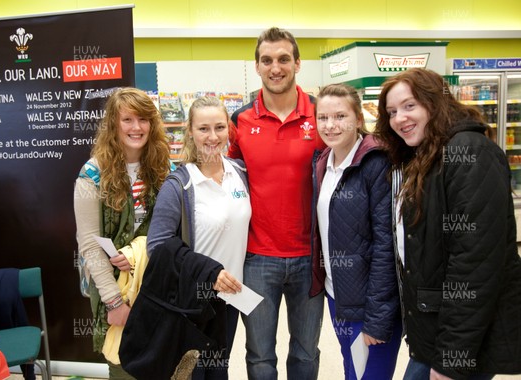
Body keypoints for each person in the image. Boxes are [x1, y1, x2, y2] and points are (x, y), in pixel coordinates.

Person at [375, 68, 521, 380]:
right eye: (391, 112)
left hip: (460, 343)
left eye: (409, 105)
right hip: (437, 335)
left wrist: (452, 360)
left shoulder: (469, 152)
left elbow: (475, 266)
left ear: (435, 102)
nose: (399, 118)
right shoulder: (428, 156)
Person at [228, 27, 325, 380]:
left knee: (305, 354)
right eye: (267, 60)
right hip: (256, 259)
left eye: (284, 58)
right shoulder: (240, 121)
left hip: (311, 258)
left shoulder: (321, 116)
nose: (276, 67)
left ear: (297, 63)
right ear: (257, 67)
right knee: (259, 357)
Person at [147, 96, 251, 379]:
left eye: (219, 127)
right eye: (203, 128)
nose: (212, 136)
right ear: (190, 131)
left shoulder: (239, 173)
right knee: (193, 373)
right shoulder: (179, 185)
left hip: (230, 301)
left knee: (219, 371)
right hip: (192, 302)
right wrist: (207, 273)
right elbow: (157, 246)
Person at [73, 87, 171, 379]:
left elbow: (172, 227)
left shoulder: (164, 168)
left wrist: (137, 249)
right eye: (127, 119)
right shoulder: (92, 175)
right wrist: (114, 302)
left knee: (162, 362)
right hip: (115, 288)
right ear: (113, 124)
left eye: (143, 119)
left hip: (155, 283)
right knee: (123, 363)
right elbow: (90, 245)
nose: (136, 127)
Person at [312, 83, 401, 379]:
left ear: (359, 119)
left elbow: (386, 246)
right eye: (323, 117)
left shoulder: (376, 163)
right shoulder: (325, 162)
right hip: (338, 296)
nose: (330, 125)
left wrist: (377, 319)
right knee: (353, 371)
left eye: (340, 116)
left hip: (371, 303)